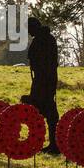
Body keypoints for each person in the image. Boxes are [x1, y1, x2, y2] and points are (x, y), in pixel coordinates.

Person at [23, 16, 60, 153]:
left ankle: (52, 144)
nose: (28, 32)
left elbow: (43, 62)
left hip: (44, 81)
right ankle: (51, 143)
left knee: (46, 111)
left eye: (29, 29)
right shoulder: (46, 39)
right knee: (45, 111)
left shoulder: (42, 40)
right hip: (44, 80)